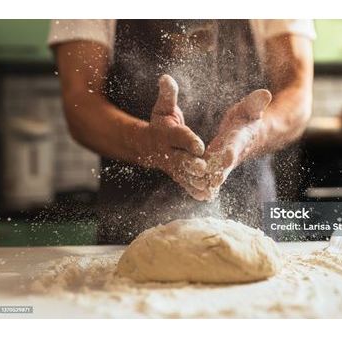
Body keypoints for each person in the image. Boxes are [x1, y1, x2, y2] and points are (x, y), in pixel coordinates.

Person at [49, 19, 315, 243]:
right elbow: (80, 102)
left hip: (252, 220)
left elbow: (297, 92)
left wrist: (251, 134)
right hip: (130, 229)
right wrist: (147, 144)